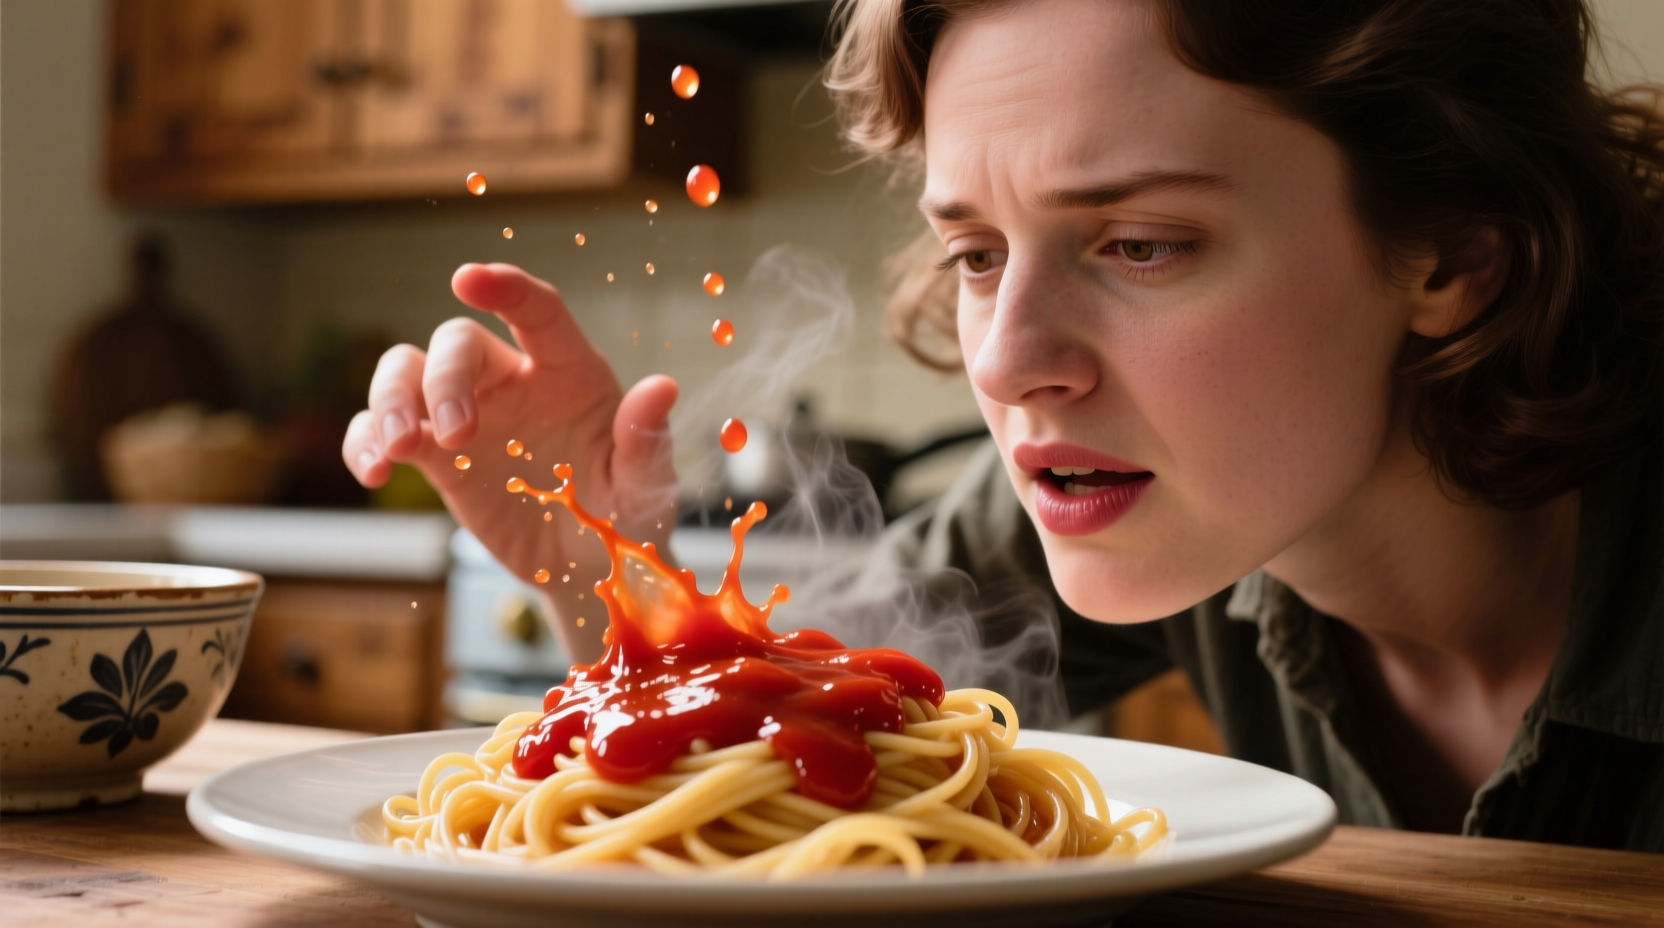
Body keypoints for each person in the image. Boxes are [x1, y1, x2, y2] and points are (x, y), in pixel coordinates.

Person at [344, 0, 1664, 851]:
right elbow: (783, 757)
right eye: (977, 254)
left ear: (1453, 257)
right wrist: (606, 569)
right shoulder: (1112, 488)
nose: (1009, 361)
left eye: (1142, 244)